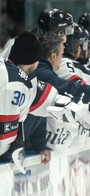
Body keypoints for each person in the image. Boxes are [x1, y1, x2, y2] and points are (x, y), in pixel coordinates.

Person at [0, 31, 50, 166]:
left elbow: (37, 115)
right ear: (34, 61)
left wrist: (40, 146)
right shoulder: (18, 82)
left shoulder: (29, 82)